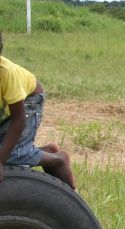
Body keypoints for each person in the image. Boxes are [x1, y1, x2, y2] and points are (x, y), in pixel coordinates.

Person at [0, 34, 76, 189]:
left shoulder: (7, 73)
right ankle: (44, 151)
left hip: (29, 100)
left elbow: (19, 120)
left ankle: (57, 160)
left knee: (9, 154)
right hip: (6, 107)